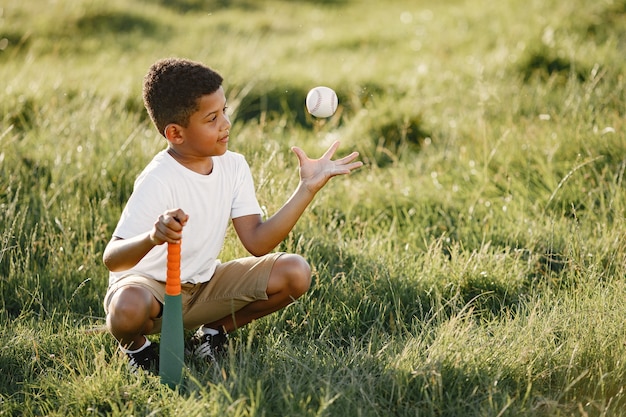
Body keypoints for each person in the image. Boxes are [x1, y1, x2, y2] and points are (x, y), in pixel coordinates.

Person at [102, 57, 363, 372]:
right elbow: (113, 259)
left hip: (203, 285)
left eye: (224, 111)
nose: (225, 124)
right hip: (150, 292)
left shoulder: (234, 165)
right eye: (211, 118)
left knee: (295, 272)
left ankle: (211, 334)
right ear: (176, 134)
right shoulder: (159, 178)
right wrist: (152, 236)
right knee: (127, 306)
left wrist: (306, 188)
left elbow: (257, 241)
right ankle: (137, 350)